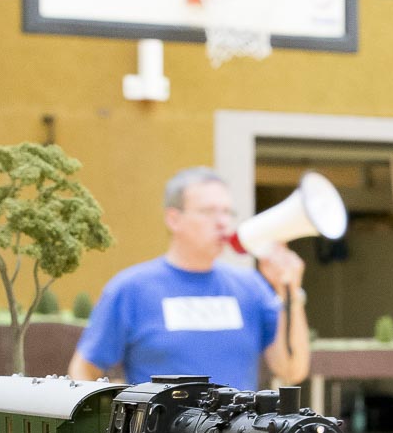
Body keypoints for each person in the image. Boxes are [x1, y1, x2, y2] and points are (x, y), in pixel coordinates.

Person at [68, 166, 310, 389]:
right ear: (174, 219)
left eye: (227, 212)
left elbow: (292, 370)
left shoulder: (251, 287)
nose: (223, 222)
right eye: (208, 212)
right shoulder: (130, 289)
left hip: (239, 424)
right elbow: (83, 369)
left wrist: (289, 291)